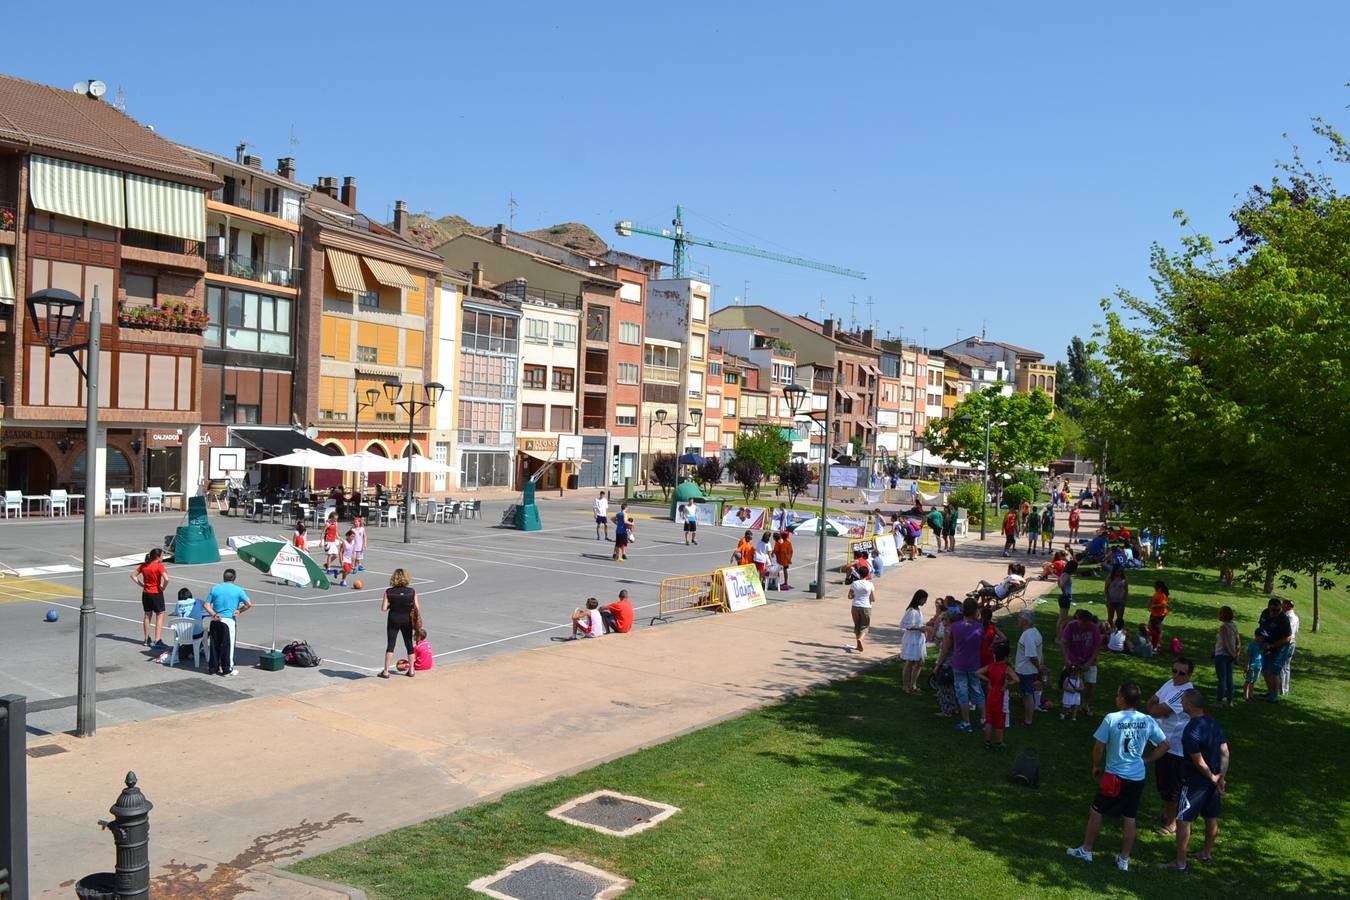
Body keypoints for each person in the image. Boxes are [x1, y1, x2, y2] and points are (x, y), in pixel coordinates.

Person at [1066, 682, 1171, 872]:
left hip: (1114, 776)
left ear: (1122, 699)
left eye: (1117, 695)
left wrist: (1096, 765)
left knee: (1096, 810)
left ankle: (1087, 849)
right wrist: (1146, 760)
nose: (1116, 698)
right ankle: (1124, 859)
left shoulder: (1112, 719)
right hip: (1136, 777)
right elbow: (1165, 745)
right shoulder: (1147, 720)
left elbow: (1099, 746)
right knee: (1130, 817)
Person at [1168, 690, 1229, 872]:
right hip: (1214, 780)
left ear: (1190, 705)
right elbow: (1225, 751)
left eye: (1183, 701)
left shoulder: (1191, 730)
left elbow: (1198, 761)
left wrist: (1212, 777)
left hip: (1196, 782)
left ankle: (1180, 863)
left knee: (1183, 819)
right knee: (1211, 817)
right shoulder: (1213, 723)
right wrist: (1221, 777)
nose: (1182, 703)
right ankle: (1206, 853)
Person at [1147, 656, 1195, 836]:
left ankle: (1172, 824)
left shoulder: (1185, 692)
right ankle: (1167, 814)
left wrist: (1156, 708)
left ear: (1189, 675)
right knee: (1163, 782)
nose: (1176, 675)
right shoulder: (1170, 683)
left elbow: (1155, 709)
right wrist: (1156, 707)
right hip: (1162, 741)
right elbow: (1151, 701)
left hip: (1175, 747)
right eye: (1174, 670)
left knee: (1172, 787)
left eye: (1182, 673)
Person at [937, 597, 986, 733]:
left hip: (959, 663)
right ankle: (983, 719)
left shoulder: (955, 627)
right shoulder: (980, 627)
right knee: (977, 691)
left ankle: (966, 722)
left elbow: (949, 645)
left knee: (962, 692)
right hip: (974, 663)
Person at [203, 568, 252, 677]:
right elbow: (248, 604)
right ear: (234, 578)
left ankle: (213, 668)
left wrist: (214, 614)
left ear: (224, 578)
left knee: (214, 644)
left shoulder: (215, 588)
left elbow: (206, 605)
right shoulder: (238, 590)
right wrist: (239, 610)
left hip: (215, 619)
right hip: (228, 621)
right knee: (227, 646)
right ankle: (227, 669)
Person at [379, 568, 421, 678]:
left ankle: (386, 671)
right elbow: (417, 607)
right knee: (409, 645)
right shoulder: (412, 591)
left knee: (391, 645)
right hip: (407, 620)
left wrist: (391, 605)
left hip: (393, 619)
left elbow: (383, 608)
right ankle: (411, 670)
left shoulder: (388, 591)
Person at [1061, 608, 1100, 714]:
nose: (1084, 626)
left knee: (1091, 684)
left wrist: (1089, 663)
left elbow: (1097, 647)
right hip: (1073, 659)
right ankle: (1068, 705)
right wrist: (1066, 659)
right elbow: (1063, 643)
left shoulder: (1094, 628)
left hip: (1089, 659)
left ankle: (1086, 704)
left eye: (1086, 623)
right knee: (1068, 681)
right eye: (1082, 623)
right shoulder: (1071, 626)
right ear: (1078, 619)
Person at [976, 641, 1012, 750]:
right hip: (1000, 695)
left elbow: (977, 672)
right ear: (1006, 657)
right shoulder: (1006, 668)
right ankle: (999, 742)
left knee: (989, 719)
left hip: (991, 694)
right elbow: (1017, 679)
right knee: (999, 720)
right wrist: (1007, 684)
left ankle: (987, 742)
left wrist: (988, 680)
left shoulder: (990, 666)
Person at [131, 547, 170, 649]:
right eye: (162, 555)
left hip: (146, 593)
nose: (163, 557)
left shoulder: (144, 566)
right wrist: (163, 587)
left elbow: (133, 576)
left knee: (147, 615)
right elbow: (166, 578)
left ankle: (146, 638)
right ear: (158, 557)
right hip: (156, 593)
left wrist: (142, 585)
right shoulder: (158, 566)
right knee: (160, 615)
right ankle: (157, 639)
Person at [1014, 610, 1047, 726]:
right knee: (1026, 694)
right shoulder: (1034, 632)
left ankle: (1028, 720)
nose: (1018, 620)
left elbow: (1032, 655)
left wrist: (1039, 668)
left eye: (1019, 618)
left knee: (1027, 695)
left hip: (1026, 670)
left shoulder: (1027, 635)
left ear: (1025, 621)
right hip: (1028, 670)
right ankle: (1027, 717)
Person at [1256, 597, 1293, 702]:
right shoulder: (1265, 613)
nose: (1276, 612)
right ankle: (1270, 692)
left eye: (1278, 610)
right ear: (1268, 608)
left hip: (1280, 648)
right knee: (1265, 669)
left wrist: (1272, 646)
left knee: (1274, 671)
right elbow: (1261, 628)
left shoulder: (1283, 619)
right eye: (1273, 610)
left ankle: (1274, 696)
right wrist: (1261, 641)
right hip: (1266, 645)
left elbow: (1288, 638)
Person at [899, 590, 929, 693]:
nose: (925, 602)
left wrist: (923, 629)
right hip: (912, 639)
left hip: (919, 638)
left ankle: (913, 684)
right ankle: (906, 685)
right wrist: (919, 629)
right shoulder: (911, 611)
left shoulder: (918, 610)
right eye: (924, 600)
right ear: (919, 598)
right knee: (910, 662)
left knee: (921, 662)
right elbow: (906, 626)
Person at [1211, 605, 1238, 708]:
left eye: (1220, 613)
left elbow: (1226, 643)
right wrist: (1235, 654)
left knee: (1222, 679)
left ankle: (1219, 702)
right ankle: (1230, 701)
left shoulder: (1223, 627)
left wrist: (1233, 655)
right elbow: (1237, 641)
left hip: (1222, 655)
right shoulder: (1234, 626)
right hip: (1229, 655)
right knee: (1229, 678)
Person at [847, 568, 875, 652]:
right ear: (867, 574)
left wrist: (855, 596)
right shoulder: (870, 584)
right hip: (866, 606)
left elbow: (849, 596)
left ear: (858, 574)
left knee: (857, 625)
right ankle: (861, 639)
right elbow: (873, 598)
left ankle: (858, 645)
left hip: (855, 606)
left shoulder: (854, 583)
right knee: (865, 626)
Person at [1281, 598, 1300, 695]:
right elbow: (1296, 631)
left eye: (1283, 605)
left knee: (1283, 666)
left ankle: (1282, 690)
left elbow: (1289, 633)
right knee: (1286, 667)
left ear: (1287, 606)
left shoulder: (1289, 618)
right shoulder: (1296, 617)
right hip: (1292, 643)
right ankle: (1285, 689)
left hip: (1287, 643)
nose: (1281, 607)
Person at [1055, 559, 1078, 639]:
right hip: (1065, 597)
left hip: (1063, 597)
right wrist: (1065, 593)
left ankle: (1060, 635)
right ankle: (1059, 636)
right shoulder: (1067, 576)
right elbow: (1061, 585)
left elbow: (1058, 582)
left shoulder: (1063, 574)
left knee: (1062, 618)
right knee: (1062, 619)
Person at [1104, 566, 1129, 631]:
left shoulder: (1124, 578)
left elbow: (1126, 589)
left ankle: (1119, 632)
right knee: (1110, 618)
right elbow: (1106, 588)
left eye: (1120, 571)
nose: (1119, 573)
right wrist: (1107, 599)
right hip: (1111, 600)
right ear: (1114, 571)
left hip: (1120, 601)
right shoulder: (1110, 577)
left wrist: (1124, 599)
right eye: (1118, 571)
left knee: (1120, 619)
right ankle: (1110, 631)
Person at [1148, 581, 1170, 653]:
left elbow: (1163, 605)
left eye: (1156, 586)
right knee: (1150, 627)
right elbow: (1153, 599)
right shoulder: (1157, 593)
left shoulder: (1163, 595)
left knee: (1157, 629)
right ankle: (1154, 644)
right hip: (1154, 613)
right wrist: (1150, 603)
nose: (1154, 587)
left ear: (1159, 587)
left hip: (1159, 615)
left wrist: (1153, 606)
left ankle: (1157, 646)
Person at [1242, 632, 1264, 702]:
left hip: (1258, 665)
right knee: (1248, 681)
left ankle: (1251, 695)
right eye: (1261, 636)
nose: (1262, 638)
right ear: (1256, 636)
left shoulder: (1261, 645)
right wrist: (1247, 665)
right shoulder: (1252, 644)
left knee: (1253, 681)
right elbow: (1248, 655)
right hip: (1252, 665)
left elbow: (1262, 653)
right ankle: (1246, 696)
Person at [323, 511, 340, 576]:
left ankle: (327, 564)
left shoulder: (336, 523)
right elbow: (323, 532)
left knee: (335, 555)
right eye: (335, 518)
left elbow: (336, 532)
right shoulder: (328, 524)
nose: (336, 520)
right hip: (328, 541)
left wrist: (339, 539)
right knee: (330, 555)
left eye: (337, 519)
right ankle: (328, 569)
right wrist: (321, 542)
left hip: (333, 541)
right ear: (331, 518)